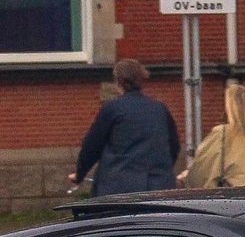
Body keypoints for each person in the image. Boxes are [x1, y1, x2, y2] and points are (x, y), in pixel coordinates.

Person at [71, 58, 180, 196]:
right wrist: (162, 169)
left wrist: (80, 174)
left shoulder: (113, 109)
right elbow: (174, 146)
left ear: (118, 81)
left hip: (120, 189)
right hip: (159, 187)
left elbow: (92, 146)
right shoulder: (160, 108)